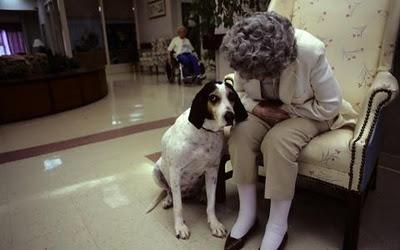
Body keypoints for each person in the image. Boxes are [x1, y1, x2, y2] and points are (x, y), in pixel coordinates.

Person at [221, 12, 345, 250]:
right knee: (240, 134)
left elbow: (329, 106)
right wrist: (259, 109)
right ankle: (247, 215)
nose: (255, 78)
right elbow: (239, 93)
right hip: (266, 110)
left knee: (278, 141)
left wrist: (286, 112)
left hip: (310, 112)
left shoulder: (310, 51)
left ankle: (278, 225)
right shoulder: (245, 51)